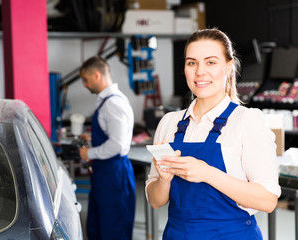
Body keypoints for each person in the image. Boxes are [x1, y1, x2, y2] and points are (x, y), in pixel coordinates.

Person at [145, 28, 281, 240]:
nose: (200, 72)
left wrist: (208, 174)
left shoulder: (247, 121)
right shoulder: (169, 123)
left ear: (228, 67)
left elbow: (267, 200)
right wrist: (164, 180)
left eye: (211, 62)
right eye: (192, 62)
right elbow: (155, 201)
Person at [78, 56, 136, 240]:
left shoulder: (113, 104)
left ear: (96, 75)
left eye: (86, 80)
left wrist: (89, 153)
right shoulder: (109, 101)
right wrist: (93, 137)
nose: (85, 85)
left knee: (113, 228)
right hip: (105, 174)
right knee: (98, 225)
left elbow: (117, 144)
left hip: (114, 174)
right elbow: (113, 134)